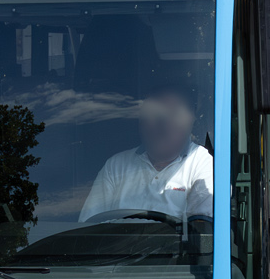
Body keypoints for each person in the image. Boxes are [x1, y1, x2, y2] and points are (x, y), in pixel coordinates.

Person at [79, 83, 214, 223]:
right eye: (155, 114)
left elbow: (201, 232)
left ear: (191, 121)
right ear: (140, 121)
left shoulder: (203, 164)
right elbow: (88, 226)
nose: (164, 125)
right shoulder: (115, 166)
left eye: (174, 115)